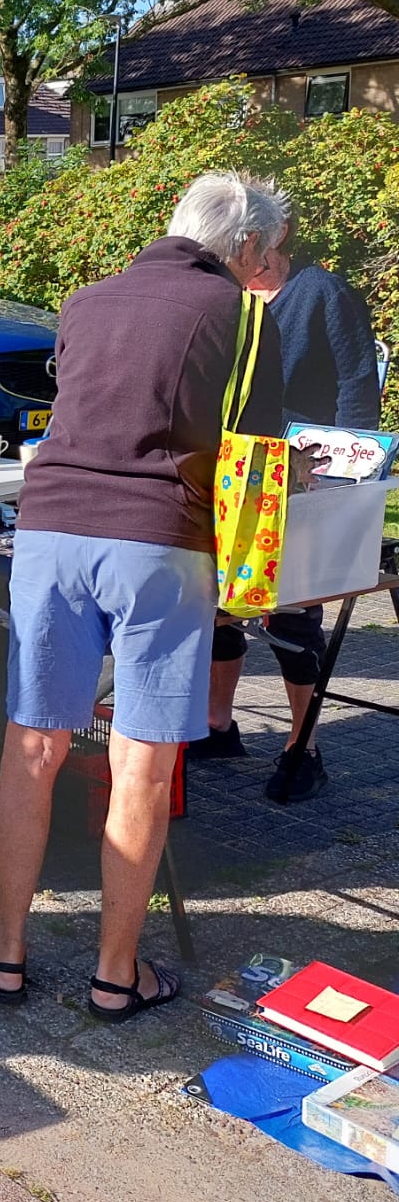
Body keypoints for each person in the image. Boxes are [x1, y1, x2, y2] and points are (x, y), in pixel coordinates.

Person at [0, 172, 286, 1023]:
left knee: (31, 746)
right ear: (246, 247)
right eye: (269, 253)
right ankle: (116, 975)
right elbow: (255, 459)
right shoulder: (242, 315)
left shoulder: (85, 300)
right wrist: (252, 580)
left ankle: (7, 954)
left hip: (52, 527)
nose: (269, 268)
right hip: (159, 538)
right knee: (142, 762)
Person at [198, 215, 382, 800]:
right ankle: (218, 725)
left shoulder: (322, 292)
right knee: (221, 603)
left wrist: (351, 471)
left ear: (270, 238)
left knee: (292, 615)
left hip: (304, 475)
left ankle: (304, 747)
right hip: (231, 472)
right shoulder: (223, 294)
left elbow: (357, 383)